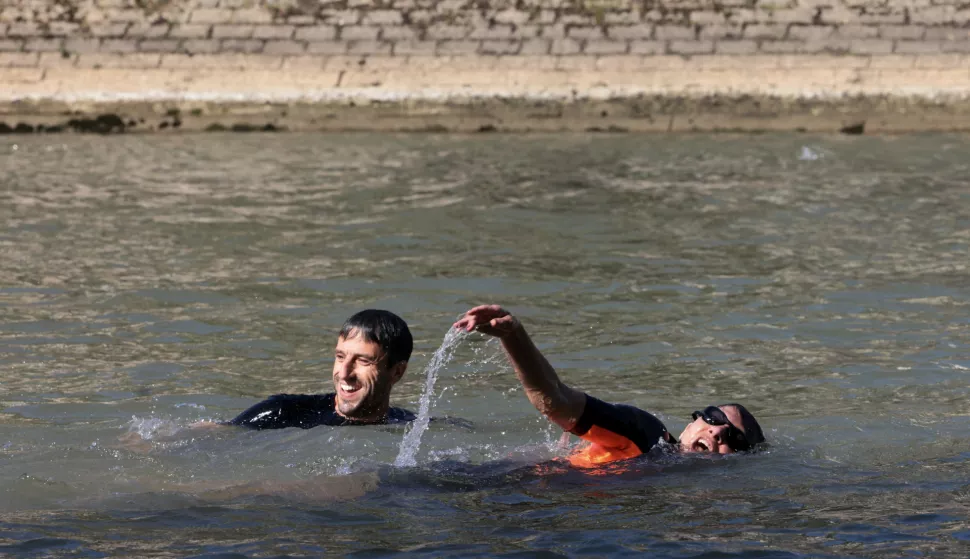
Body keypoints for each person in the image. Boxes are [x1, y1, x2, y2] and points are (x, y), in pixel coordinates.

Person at [454, 305, 765, 468]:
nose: (718, 431)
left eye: (735, 439)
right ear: (689, 425)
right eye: (713, 417)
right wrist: (514, 336)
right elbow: (556, 400)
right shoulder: (646, 435)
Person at [228, 309, 416, 429]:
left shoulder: (409, 426)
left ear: (397, 372)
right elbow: (216, 435)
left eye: (363, 361)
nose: (344, 374)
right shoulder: (282, 413)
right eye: (340, 357)